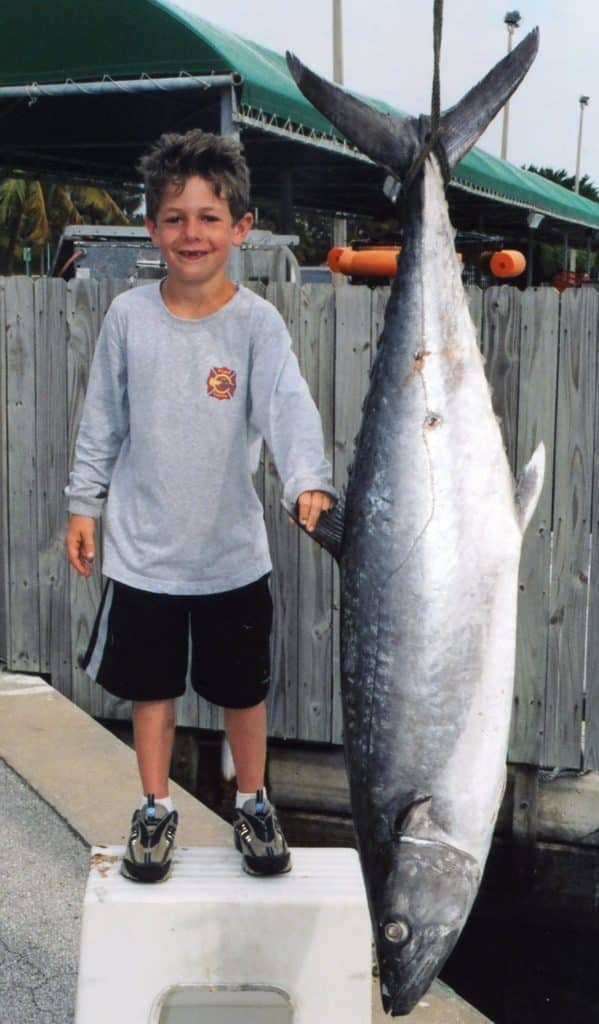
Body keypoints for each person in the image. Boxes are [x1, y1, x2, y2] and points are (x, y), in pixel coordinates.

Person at [65, 129, 336, 883]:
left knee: (241, 695)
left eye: (209, 217)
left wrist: (307, 479)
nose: (192, 233)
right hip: (144, 554)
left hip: (231, 556)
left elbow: (290, 410)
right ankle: (154, 809)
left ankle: (252, 800)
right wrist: (83, 504)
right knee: (151, 694)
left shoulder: (256, 324)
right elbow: (101, 422)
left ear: (241, 227)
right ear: (151, 227)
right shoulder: (127, 318)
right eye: (175, 217)